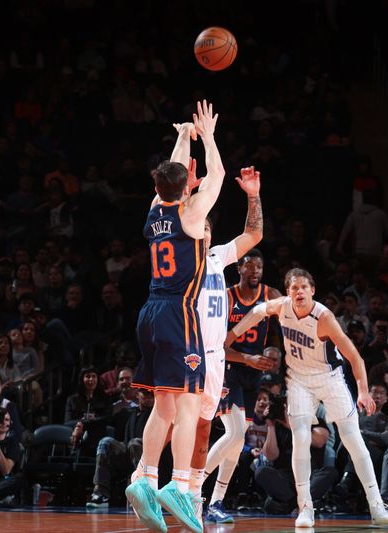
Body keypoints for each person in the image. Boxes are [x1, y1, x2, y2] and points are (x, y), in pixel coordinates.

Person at [225, 268, 388, 527]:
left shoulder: (324, 317)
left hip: (330, 379)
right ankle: (306, 507)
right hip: (300, 381)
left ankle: (376, 503)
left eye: (304, 287)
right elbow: (258, 311)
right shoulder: (282, 307)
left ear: (312, 290)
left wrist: (362, 391)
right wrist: (232, 336)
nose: (299, 291)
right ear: (288, 292)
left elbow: (355, 357)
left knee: (352, 439)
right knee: (300, 436)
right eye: (294, 288)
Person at [126, 100, 224, 533]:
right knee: (188, 406)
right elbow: (217, 177)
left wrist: (185, 135)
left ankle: (146, 477)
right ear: (187, 189)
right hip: (179, 314)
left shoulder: (154, 209)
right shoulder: (190, 214)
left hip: (149, 311)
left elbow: (173, 171)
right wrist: (211, 136)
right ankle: (180, 487)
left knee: (162, 405)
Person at [187, 165, 266, 526]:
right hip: (194, 353)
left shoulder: (218, 256)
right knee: (213, 430)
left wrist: (253, 195)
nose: (202, 228)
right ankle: (183, 488)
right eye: (197, 222)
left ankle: (205, 499)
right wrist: (187, 195)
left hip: (218, 355)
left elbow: (254, 233)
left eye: (207, 224)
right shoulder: (184, 261)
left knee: (233, 437)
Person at [205, 247, 281, 524]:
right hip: (227, 368)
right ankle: (191, 487)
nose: (254, 272)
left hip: (252, 373)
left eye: (258, 268)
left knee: (236, 445)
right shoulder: (225, 298)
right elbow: (216, 343)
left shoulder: (269, 294)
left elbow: (291, 310)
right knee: (235, 433)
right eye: (249, 267)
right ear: (238, 269)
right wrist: (247, 358)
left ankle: (215, 503)